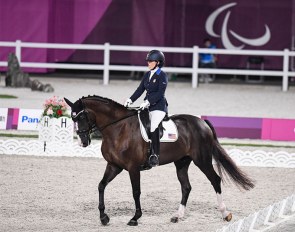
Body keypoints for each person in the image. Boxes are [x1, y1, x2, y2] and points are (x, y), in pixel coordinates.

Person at [124, 50, 168, 167]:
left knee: (153, 126)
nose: (148, 63)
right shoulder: (147, 75)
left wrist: (148, 101)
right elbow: (140, 90)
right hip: (147, 106)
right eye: (147, 61)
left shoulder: (162, 75)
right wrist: (130, 99)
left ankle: (155, 155)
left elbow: (160, 93)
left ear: (158, 62)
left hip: (158, 107)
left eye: (150, 61)